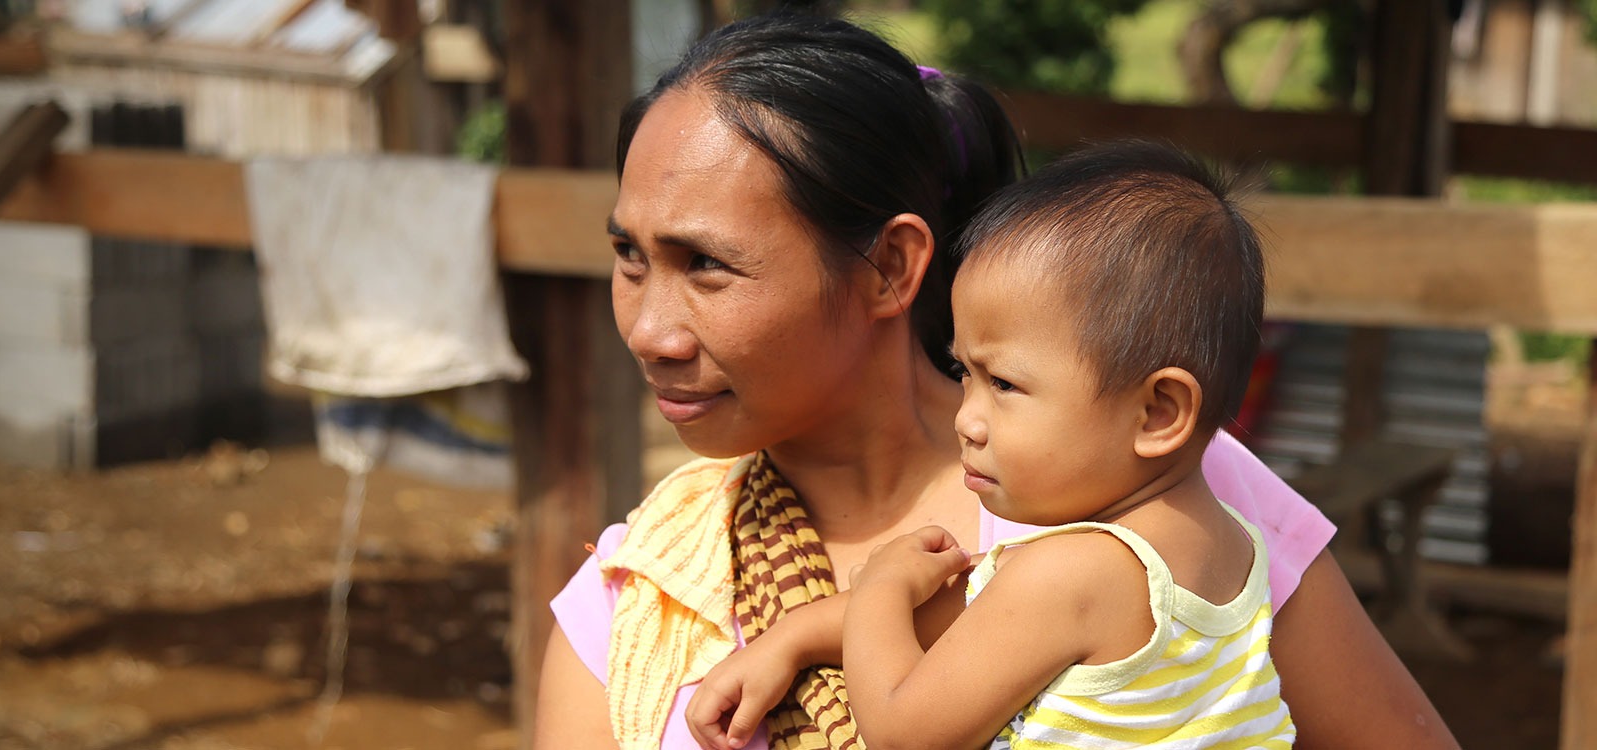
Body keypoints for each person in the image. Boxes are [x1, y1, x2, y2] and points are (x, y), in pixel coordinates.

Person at [536, 13, 1456, 750]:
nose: (649, 329)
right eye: (628, 255)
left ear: (892, 267)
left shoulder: (1167, 488)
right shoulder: (641, 599)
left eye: (705, 265)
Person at [690, 140, 1296, 749]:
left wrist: (879, 590)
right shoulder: (1231, 548)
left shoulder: (1068, 576)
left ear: (1159, 413)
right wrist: (790, 639)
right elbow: (964, 612)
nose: (967, 420)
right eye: (965, 376)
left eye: (1004, 384)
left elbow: (903, 735)